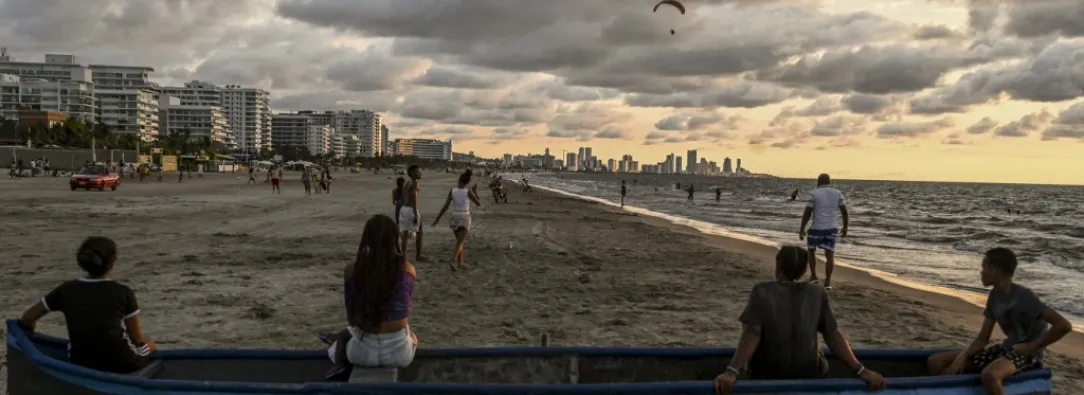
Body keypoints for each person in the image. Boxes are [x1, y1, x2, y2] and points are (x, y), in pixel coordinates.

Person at [713, 246, 884, 394]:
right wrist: (861, 370)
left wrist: (731, 371)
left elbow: (752, 333)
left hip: (767, 373)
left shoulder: (762, 292)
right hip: (810, 373)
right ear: (803, 271)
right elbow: (832, 335)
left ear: (778, 266)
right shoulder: (817, 293)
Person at [927, 248, 1071, 395]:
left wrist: (1031, 346)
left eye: (983, 268)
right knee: (937, 361)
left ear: (994, 270)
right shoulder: (994, 296)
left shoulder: (1025, 297)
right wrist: (961, 357)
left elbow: (1063, 325)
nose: (981, 273)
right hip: (1006, 349)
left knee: (990, 375)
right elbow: (983, 339)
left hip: (1027, 356)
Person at [18, 236, 156, 374]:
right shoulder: (123, 292)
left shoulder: (65, 290)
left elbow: (27, 318)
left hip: (80, 359)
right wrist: (148, 345)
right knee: (149, 343)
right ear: (112, 264)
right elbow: (137, 339)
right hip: (122, 361)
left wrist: (31, 334)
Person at [324, 215, 419, 376]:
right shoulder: (408, 270)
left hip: (361, 355)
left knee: (335, 348)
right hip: (400, 355)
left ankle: (338, 353)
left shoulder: (352, 271)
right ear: (395, 239)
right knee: (412, 336)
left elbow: (352, 320)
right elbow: (404, 313)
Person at [798, 173, 847, 289]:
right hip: (832, 229)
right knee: (830, 255)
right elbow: (844, 211)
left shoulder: (814, 194)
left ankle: (814, 276)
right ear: (829, 182)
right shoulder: (838, 193)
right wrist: (845, 227)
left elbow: (808, 212)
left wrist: (802, 229)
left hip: (816, 228)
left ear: (818, 182)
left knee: (811, 251)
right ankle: (828, 281)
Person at [431, 172, 483, 271]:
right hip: (464, 217)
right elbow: (478, 203)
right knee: (460, 241)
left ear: (459, 179)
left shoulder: (452, 191)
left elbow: (445, 206)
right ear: (467, 182)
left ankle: (460, 263)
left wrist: (437, 219)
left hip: (454, 217)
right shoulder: (468, 192)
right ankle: (453, 260)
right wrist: (475, 191)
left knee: (460, 241)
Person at [398, 165, 426, 262]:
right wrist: (414, 213)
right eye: (418, 171)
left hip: (404, 209)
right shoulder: (415, 183)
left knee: (405, 235)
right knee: (420, 232)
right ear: (413, 173)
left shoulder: (407, 183)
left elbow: (402, 197)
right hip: (411, 209)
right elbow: (414, 198)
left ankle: (403, 256)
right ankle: (418, 255)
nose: (420, 173)